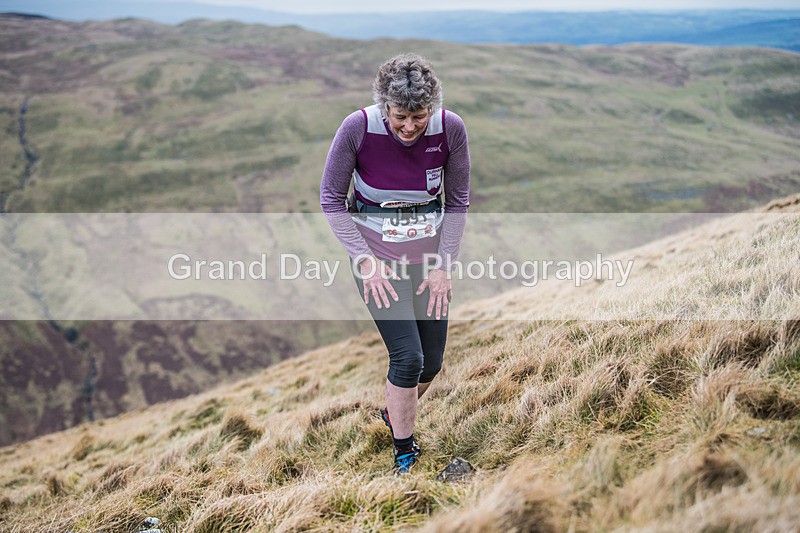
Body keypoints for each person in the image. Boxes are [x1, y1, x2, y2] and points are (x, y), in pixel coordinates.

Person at [320, 53, 470, 474]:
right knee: (407, 359)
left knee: (433, 362)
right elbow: (331, 199)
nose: (409, 126)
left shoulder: (450, 129)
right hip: (377, 264)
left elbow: (457, 202)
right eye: (400, 115)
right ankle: (404, 451)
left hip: (427, 262)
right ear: (384, 105)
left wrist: (444, 267)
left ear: (433, 109)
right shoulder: (357, 128)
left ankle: (394, 411)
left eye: (419, 116)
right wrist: (364, 261)